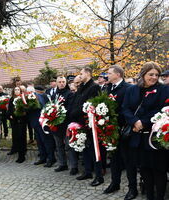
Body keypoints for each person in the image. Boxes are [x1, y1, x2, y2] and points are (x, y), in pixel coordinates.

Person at [122, 62, 169, 200]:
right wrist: (134, 121)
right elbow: (125, 108)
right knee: (144, 169)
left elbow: (161, 109)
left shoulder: (163, 89)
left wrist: (143, 122)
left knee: (158, 170)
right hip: (137, 137)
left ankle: (159, 197)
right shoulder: (132, 89)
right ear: (143, 74)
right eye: (151, 74)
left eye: (156, 75)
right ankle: (149, 196)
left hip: (154, 137)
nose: (154, 77)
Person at [67, 67, 103, 186]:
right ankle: (87, 171)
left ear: (88, 73)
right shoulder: (81, 87)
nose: (80, 75)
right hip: (80, 122)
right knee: (85, 149)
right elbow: (76, 102)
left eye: (81, 73)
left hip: (90, 123)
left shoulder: (94, 87)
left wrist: (75, 113)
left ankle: (99, 175)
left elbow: (89, 105)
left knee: (94, 150)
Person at [103, 65, 131, 194]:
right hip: (110, 129)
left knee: (127, 160)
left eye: (109, 73)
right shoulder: (109, 88)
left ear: (118, 74)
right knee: (114, 158)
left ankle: (132, 188)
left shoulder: (128, 88)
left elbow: (127, 109)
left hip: (123, 130)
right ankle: (115, 183)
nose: (106, 75)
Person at [30, 85, 56, 167]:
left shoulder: (45, 96)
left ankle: (51, 158)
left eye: (35, 91)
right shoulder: (32, 97)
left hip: (43, 122)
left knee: (46, 141)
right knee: (39, 141)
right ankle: (43, 157)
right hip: (35, 122)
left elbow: (45, 106)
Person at [52, 76, 73, 172]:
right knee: (59, 146)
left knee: (69, 146)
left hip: (66, 124)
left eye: (63, 82)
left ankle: (73, 166)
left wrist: (60, 113)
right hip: (56, 125)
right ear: (56, 83)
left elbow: (70, 109)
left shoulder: (69, 94)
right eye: (60, 82)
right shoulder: (54, 94)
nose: (62, 83)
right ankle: (62, 164)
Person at [7, 86, 27, 163]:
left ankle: (22, 156)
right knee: (16, 137)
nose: (17, 91)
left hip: (21, 121)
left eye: (18, 89)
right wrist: (10, 115)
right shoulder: (11, 99)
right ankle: (16, 150)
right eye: (15, 89)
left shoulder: (23, 98)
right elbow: (9, 110)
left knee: (21, 137)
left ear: (20, 91)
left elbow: (26, 109)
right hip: (14, 121)